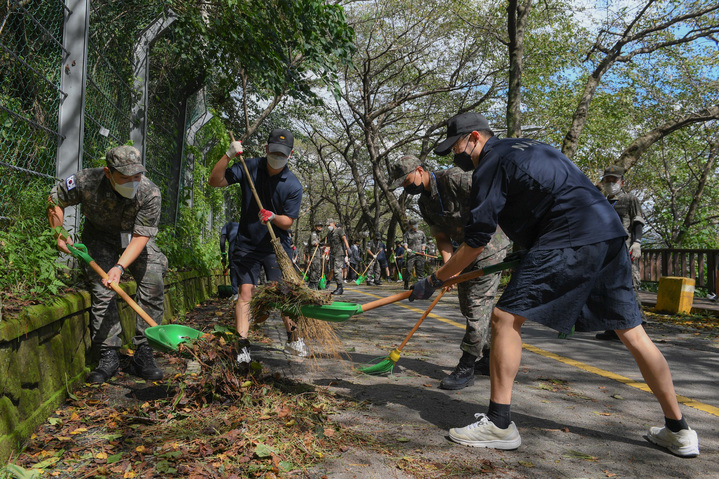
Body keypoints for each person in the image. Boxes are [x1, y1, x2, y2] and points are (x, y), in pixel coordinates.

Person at [408, 112, 699, 457]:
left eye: (456, 146)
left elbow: (477, 241)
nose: (456, 155)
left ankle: (499, 424)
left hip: (569, 236)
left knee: (503, 318)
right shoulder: (529, 147)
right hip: (606, 233)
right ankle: (679, 430)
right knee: (632, 332)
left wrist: (434, 279)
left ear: (474, 137)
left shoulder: (490, 163)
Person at [47, 145, 166, 384]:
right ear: (108, 172)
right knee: (103, 291)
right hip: (99, 239)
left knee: (153, 279)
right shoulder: (86, 181)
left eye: (137, 175)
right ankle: (108, 355)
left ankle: (144, 353)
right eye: (125, 177)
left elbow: (142, 237)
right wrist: (58, 232)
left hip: (134, 240)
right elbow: (54, 199)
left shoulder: (150, 193)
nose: (133, 181)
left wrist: (119, 267)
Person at [389, 155, 510, 389]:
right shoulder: (425, 204)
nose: (406, 187)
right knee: (467, 305)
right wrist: (448, 269)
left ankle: (467, 365)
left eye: (406, 181)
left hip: (490, 245)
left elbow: (496, 197)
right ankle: (487, 355)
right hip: (463, 251)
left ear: (420, 170)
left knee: (477, 304)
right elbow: (442, 237)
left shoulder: (455, 178)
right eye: (402, 185)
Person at [208, 129, 308, 363]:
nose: (277, 156)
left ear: (290, 155)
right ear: (266, 149)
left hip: (276, 245)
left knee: (285, 294)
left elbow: (289, 221)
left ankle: (294, 340)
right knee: (245, 292)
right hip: (247, 243)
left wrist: (273, 217)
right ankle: (242, 346)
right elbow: (215, 181)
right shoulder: (249, 166)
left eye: (282, 154)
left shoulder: (293, 185)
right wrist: (228, 155)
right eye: (273, 151)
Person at [596, 165, 646, 340]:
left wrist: (637, 242)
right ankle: (613, 328)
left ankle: (638, 327)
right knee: (608, 288)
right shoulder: (601, 201)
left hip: (625, 249)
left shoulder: (629, 199)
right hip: (605, 251)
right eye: (607, 179)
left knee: (629, 285)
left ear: (622, 182)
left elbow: (637, 221)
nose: (611, 183)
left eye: (614, 180)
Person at [325, 218, 350, 295]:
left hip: (339, 254)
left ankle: (340, 287)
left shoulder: (339, 231)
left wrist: (348, 249)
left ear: (333, 223)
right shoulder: (331, 233)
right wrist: (323, 245)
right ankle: (339, 287)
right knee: (334, 270)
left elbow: (344, 239)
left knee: (337, 270)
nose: (329, 226)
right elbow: (330, 244)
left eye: (329, 224)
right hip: (333, 254)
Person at [403, 219, 426, 289]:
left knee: (420, 270)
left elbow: (424, 243)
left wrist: (423, 250)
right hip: (411, 254)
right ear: (410, 226)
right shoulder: (407, 234)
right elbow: (405, 243)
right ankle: (406, 283)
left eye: (416, 224)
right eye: (414, 224)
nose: (416, 225)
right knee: (408, 270)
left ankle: (420, 285)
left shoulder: (421, 233)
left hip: (420, 254)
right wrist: (407, 249)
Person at [220, 221, 240, 301]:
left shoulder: (225, 226)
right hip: (244, 245)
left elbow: (222, 240)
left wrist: (223, 253)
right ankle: (243, 292)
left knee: (233, 268)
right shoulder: (239, 225)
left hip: (233, 245)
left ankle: (235, 293)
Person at [306, 220, 324, 289]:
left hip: (318, 254)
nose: (320, 228)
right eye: (318, 226)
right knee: (314, 268)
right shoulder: (313, 234)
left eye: (321, 227)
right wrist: (319, 244)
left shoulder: (318, 235)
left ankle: (316, 283)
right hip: (314, 254)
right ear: (315, 227)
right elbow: (313, 243)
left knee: (318, 269)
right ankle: (312, 283)